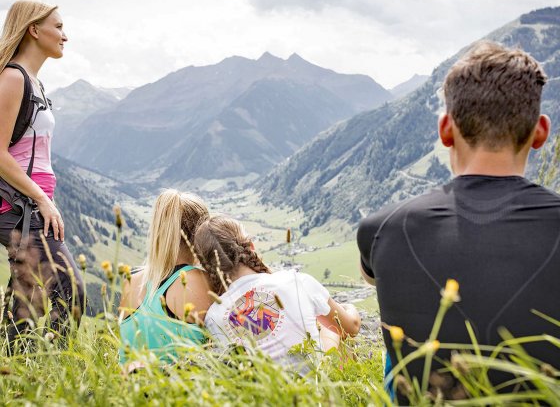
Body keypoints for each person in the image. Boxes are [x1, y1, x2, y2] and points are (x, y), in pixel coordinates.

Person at [357, 41, 559, 399]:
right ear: (541, 131)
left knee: (396, 356)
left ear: (446, 129)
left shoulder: (380, 229)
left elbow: (375, 279)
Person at [0, 0, 84, 348]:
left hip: (31, 205)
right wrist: (40, 199)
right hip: (18, 208)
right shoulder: (13, 78)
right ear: (34, 29)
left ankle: (16, 376)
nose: (65, 35)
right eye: (59, 27)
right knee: (71, 290)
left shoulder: (33, 81)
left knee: (25, 302)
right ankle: (51, 367)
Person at [195, 215, 361, 367]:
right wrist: (349, 308)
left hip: (266, 397)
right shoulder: (296, 281)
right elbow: (351, 328)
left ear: (207, 268)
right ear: (251, 246)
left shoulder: (213, 317)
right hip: (316, 391)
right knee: (331, 326)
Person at [119, 190, 213, 368]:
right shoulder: (200, 282)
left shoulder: (130, 282)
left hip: (126, 392)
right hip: (179, 391)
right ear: (202, 234)